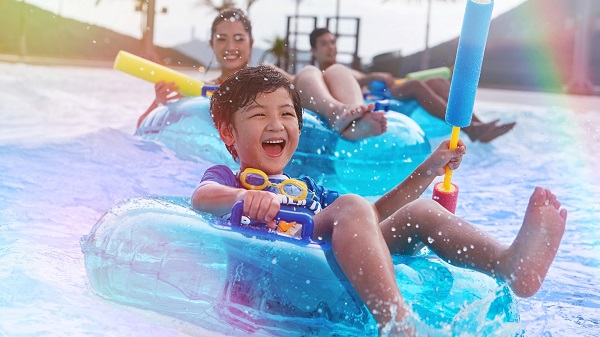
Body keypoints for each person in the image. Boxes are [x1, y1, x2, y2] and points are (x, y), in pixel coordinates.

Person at [192, 65, 567, 335]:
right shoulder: (230, 179)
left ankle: (510, 264)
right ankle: (398, 322)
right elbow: (202, 197)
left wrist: (428, 170)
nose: (276, 125)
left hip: (330, 257)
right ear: (228, 132)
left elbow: (366, 218)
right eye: (259, 115)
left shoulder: (305, 188)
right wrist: (245, 198)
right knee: (352, 205)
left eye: (287, 114)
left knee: (418, 210)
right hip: (291, 266)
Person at [294, 27, 516, 143]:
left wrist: (374, 77)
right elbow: (353, 84)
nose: (331, 47)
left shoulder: (342, 67)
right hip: (375, 97)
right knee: (416, 87)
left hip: (382, 90)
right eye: (324, 44)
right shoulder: (321, 77)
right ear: (313, 50)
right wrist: (368, 78)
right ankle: (470, 129)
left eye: (332, 42)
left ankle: (476, 124)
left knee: (437, 81)